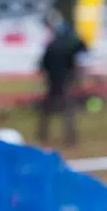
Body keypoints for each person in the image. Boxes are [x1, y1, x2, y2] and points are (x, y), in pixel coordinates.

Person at [37, 10, 88, 147]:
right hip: (65, 81)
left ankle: (42, 135)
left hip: (53, 81)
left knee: (48, 110)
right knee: (68, 111)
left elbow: (42, 64)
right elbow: (83, 48)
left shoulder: (51, 45)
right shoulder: (69, 44)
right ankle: (70, 139)